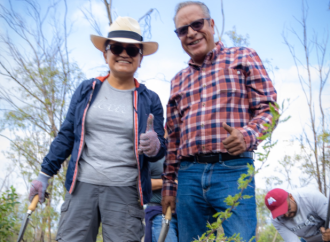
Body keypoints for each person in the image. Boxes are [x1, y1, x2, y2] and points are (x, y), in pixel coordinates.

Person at [28, 16, 166, 242]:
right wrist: (43, 176)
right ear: (105, 54)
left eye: (132, 50)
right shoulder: (86, 90)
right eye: (117, 47)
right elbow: (66, 135)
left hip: (126, 192)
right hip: (81, 188)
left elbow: (160, 150)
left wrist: (155, 146)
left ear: (140, 58)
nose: (124, 53)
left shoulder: (150, 100)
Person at [161, 1, 277, 242]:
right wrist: (170, 186)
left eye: (197, 24)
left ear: (211, 24)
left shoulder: (243, 57)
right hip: (188, 177)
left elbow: (269, 109)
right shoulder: (177, 81)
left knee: (241, 239)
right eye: (183, 30)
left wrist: (246, 136)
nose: (191, 33)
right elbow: (172, 139)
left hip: (232, 171)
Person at [144, 129, 178, 242]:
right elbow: (141, 184)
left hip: (186, 214)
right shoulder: (153, 155)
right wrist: (171, 183)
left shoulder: (186, 153)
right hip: (160, 212)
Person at [265, 188, 330, 242]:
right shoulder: (276, 219)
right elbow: (292, 240)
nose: (286, 214)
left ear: (291, 197)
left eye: (287, 209)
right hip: (308, 240)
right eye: (281, 214)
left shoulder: (312, 197)